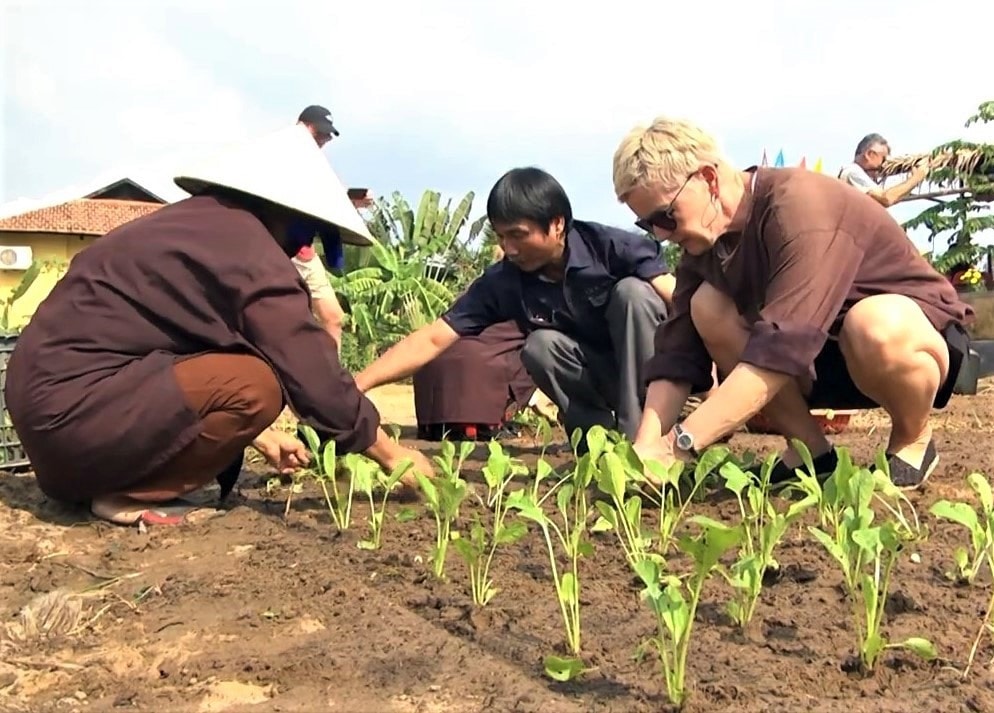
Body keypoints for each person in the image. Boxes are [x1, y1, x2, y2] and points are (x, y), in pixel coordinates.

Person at [3, 124, 434, 527]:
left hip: (54, 422)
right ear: (283, 210)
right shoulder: (247, 247)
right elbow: (308, 368)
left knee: (244, 372)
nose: (300, 246)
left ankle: (115, 482)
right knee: (257, 385)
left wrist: (259, 438)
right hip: (73, 422)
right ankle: (128, 494)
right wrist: (392, 454)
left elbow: (170, 351)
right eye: (305, 233)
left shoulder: (201, 225)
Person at [611, 116, 973, 490]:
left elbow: (785, 344)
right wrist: (645, 446)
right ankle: (810, 452)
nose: (661, 235)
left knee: (872, 323)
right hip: (816, 359)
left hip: (906, 344)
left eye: (664, 217)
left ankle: (911, 440)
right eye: (647, 225)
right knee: (708, 305)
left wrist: (678, 447)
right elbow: (678, 351)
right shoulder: (704, 244)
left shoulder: (799, 205)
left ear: (708, 179)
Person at [356, 166, 676, 443]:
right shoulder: (504, 282)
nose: (508, 249)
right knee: (539, 345)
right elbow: (434, 337)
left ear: (557, 224)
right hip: (598, 377)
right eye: (500, 237)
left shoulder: (612, 247)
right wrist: (358, 385)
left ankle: (649, 441)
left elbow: (676, 298)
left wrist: (715, 374)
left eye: (518, 235)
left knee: (633, 293)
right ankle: (599, 446)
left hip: (655, 375)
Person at [293, 103, 373, 346]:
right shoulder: (292, 157)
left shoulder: (309, 160)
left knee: (327, 319)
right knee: (331, 319)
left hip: (299, 249)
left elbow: (322, 196)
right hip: (292, 251)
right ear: (304, 127)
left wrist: (349, 199)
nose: (325, 139)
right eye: (321, 133)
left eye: (328, 135)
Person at [838, 133, 928, 208]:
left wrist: (910, 180)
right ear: (870, 154)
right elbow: (886, 199)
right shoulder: (852, 172)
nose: (884, 165)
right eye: (883, 159)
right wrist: (916, 178)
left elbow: (892, 198)